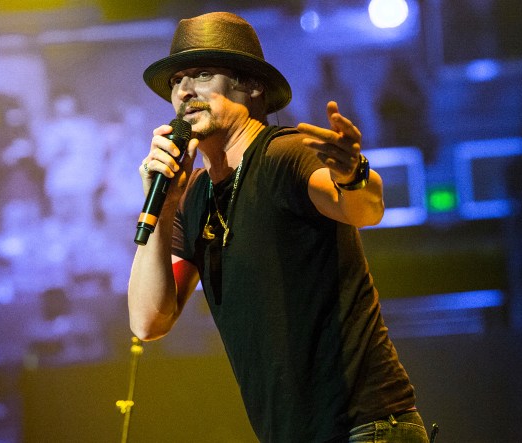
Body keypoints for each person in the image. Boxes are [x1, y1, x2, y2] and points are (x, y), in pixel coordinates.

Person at [127, 11, 428, 442]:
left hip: (364, 427)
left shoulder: (284, 154)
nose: (185, 90)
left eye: (203, 74)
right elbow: (147, 320)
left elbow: (363, 208)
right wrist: (164, 205)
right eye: (178, 80)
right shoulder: (192, 197)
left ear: (252, 86)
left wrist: (353, 174)